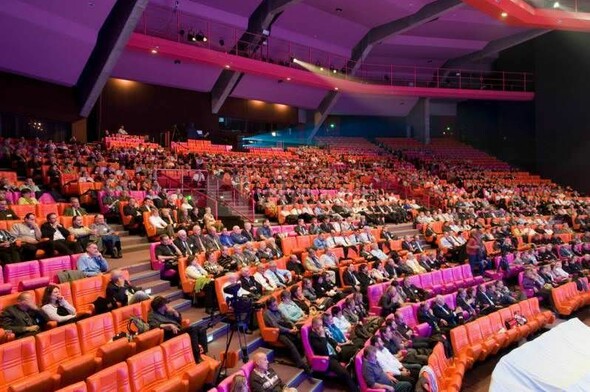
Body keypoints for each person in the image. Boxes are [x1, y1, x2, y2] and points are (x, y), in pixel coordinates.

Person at [147, 296, 207, 362]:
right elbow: (153, 326)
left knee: (201, 328)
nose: (166, 306)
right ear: (160, 307)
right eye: (165, 304)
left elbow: (179, 321)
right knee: (192, 329)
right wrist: (168, 325)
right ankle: (196, 356)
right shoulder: (152, 315)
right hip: (169, 334)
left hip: (178, 329)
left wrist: (174, 312)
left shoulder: (167, 311)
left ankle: (203, 352)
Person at [308, 316, 359, 392]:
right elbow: (323, 351)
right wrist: (322, 336)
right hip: (328, 358)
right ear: (314, 326)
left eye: (321, 325)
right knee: (345, 374)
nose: (321, 327)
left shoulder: (322, 331)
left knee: (355, 350)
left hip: (335, 352)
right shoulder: (312, 336)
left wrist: (336, 345)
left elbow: (330, 340)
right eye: (319, 326)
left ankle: (356, 376)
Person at [263, 297, 310, 373]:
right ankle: (301, 364)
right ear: (269, 306)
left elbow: (286, 319)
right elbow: (276, 326)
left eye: (276, 304)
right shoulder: (267, 313)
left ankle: (302, 355)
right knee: (290, 344)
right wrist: (289, 330)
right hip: (277, 333)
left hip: (286, 328)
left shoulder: (277, 310)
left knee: (299, 337)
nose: (276, 306)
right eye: (274, 305)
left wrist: (293, 326)